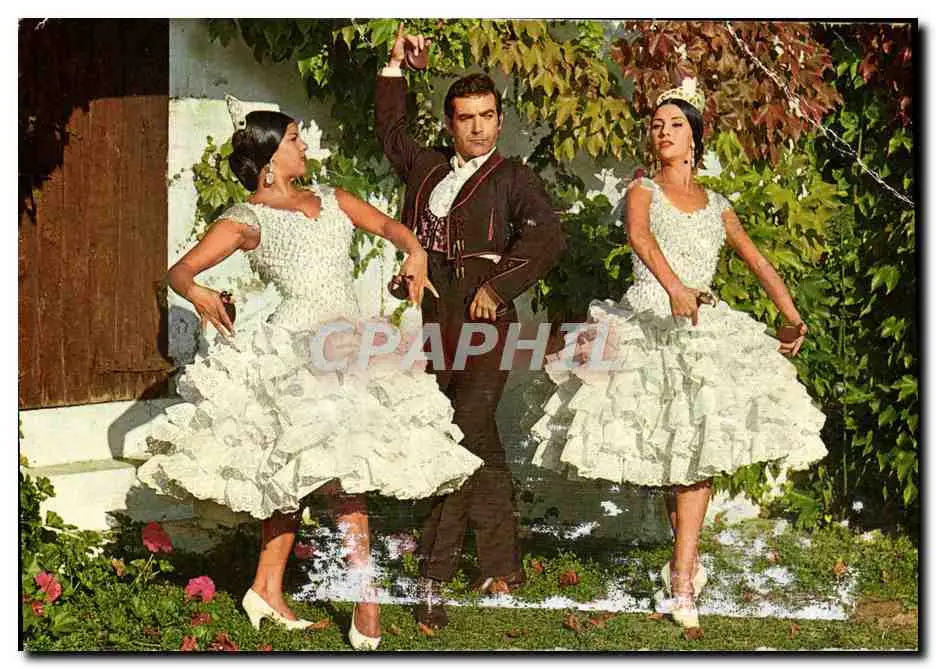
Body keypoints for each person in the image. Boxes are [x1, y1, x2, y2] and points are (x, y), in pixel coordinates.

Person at [137, 97, 484, 650]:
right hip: (297, 349)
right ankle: (367, 599)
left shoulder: (333, 197)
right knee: (333, 476)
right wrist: (198, 293)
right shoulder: (247, 218)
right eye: (295, 139)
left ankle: (265, 590)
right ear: (270, 156)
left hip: (351, 344)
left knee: (305, 472)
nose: (305, 146)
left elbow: (393, 228)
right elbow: (181, 271)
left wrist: (415, 254)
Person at [530, 77, 826, 630]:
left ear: (695, 138)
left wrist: (790, 314)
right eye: (657, 125)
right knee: (676, 456)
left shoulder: (718, 204)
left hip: (701, 328)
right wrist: (673, 288)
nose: (664, 132)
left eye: (675, 125)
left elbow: (757, 261)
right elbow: (640, 238)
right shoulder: (642, 188)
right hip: (647, 322)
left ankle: (682, 580)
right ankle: (683, 565)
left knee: (699, 452)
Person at [375, 26, 566, 628]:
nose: (479, 129)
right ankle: (502, 564)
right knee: (475, 438)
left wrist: (497, 286)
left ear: (499, 120)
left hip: (487, 317)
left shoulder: (514, 178)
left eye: (487, 116)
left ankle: (431, 578)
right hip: (435, 314)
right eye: (466, 118)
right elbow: (391, 131)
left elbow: (547, 238)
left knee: (456, 436)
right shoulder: (427, 166)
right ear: (450, 123)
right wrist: (393, 64)